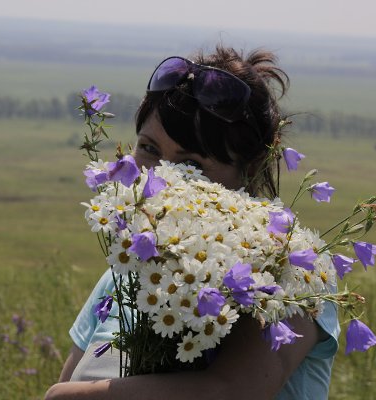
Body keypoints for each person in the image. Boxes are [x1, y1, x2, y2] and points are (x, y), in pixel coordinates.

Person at [46, 45, 340, 400]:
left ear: (250, 169)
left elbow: (234, 391)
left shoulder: (290, 273)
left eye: (192, 165)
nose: (159, 177)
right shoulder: (120, 278)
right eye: (149, 149)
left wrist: (62, 395)